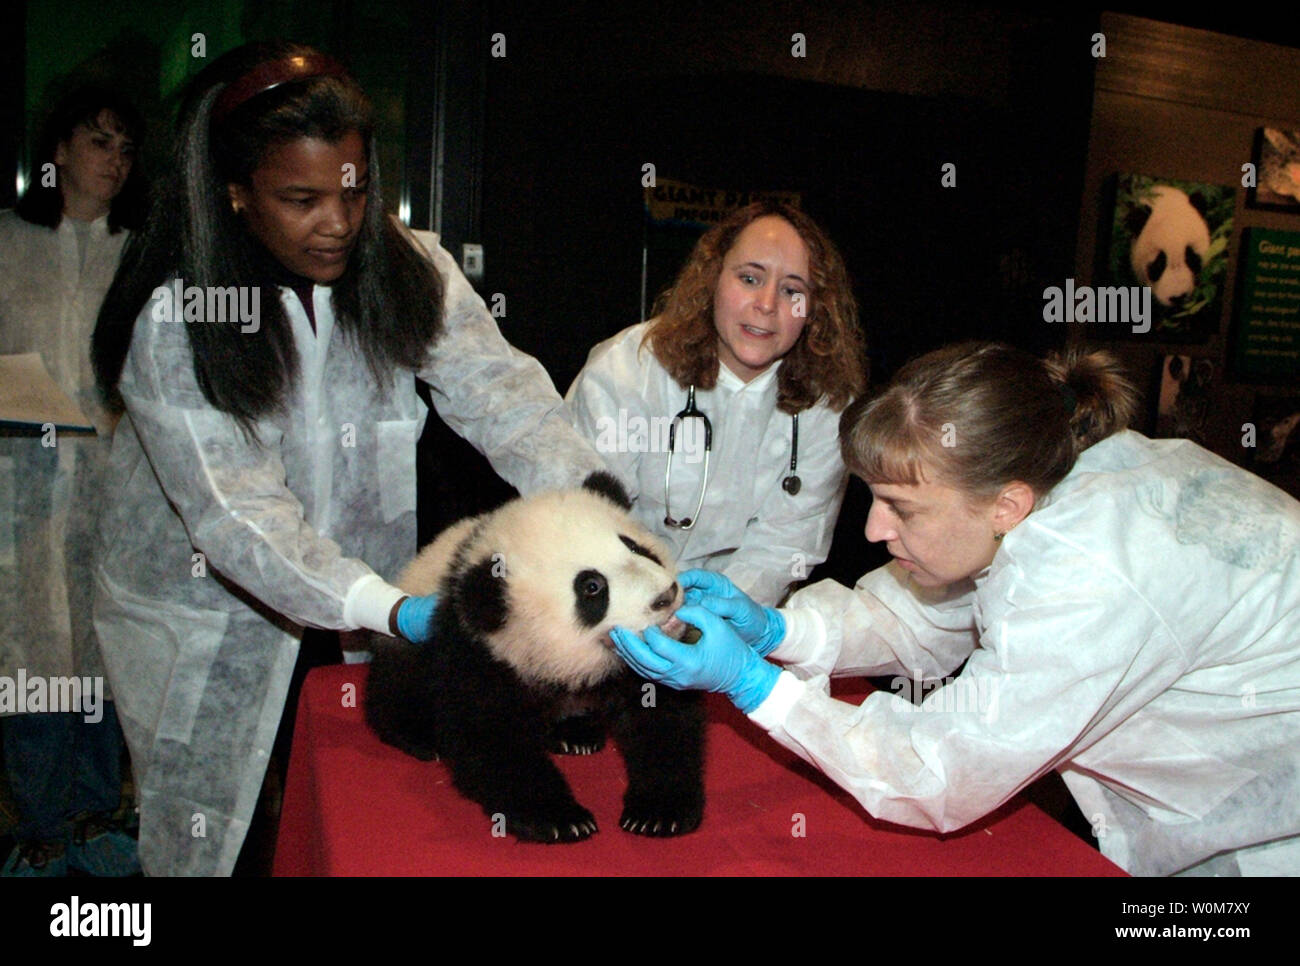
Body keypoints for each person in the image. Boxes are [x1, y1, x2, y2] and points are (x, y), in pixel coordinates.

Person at [90, 42, 605, 876]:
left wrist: (605, 525)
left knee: (353, 822)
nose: (338, 221)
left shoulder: (406, 268)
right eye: (301, 198)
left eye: (354, 189)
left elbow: (505, 398)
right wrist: (394, 610)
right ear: (236, 194)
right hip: (210, 612)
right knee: (216, 837)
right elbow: (237, 514)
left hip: (360, 608)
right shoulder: (182, 319)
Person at [613, 341, 1300, 876]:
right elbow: (925, 614)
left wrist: (756, 687)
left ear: (1006, 504)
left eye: (901, 509)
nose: (874, 532)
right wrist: (779, 629)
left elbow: (941, 772)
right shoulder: (1045, 480)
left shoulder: (1091, 572)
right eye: (873, 498)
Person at [565, 201, 867, 606]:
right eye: (749, 278)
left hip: (740, 618)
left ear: (813, 310)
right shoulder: (626, 370)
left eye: (793, 290)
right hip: (617, 603)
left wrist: (717, 621)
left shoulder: (829, 406)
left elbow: (784, 547)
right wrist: (653, 611)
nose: (766, 304)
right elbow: (589, 521)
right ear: (712, 279)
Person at [0, 85, 146, 876]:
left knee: (99, 649)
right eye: (99, 142)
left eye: (125, 149)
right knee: (26, 653)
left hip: (111, 485)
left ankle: (96, 812)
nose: (114, 162)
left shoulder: (138, 258)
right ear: (57, 151)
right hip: (17, 482)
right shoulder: (6, 243)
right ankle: (39, 821)